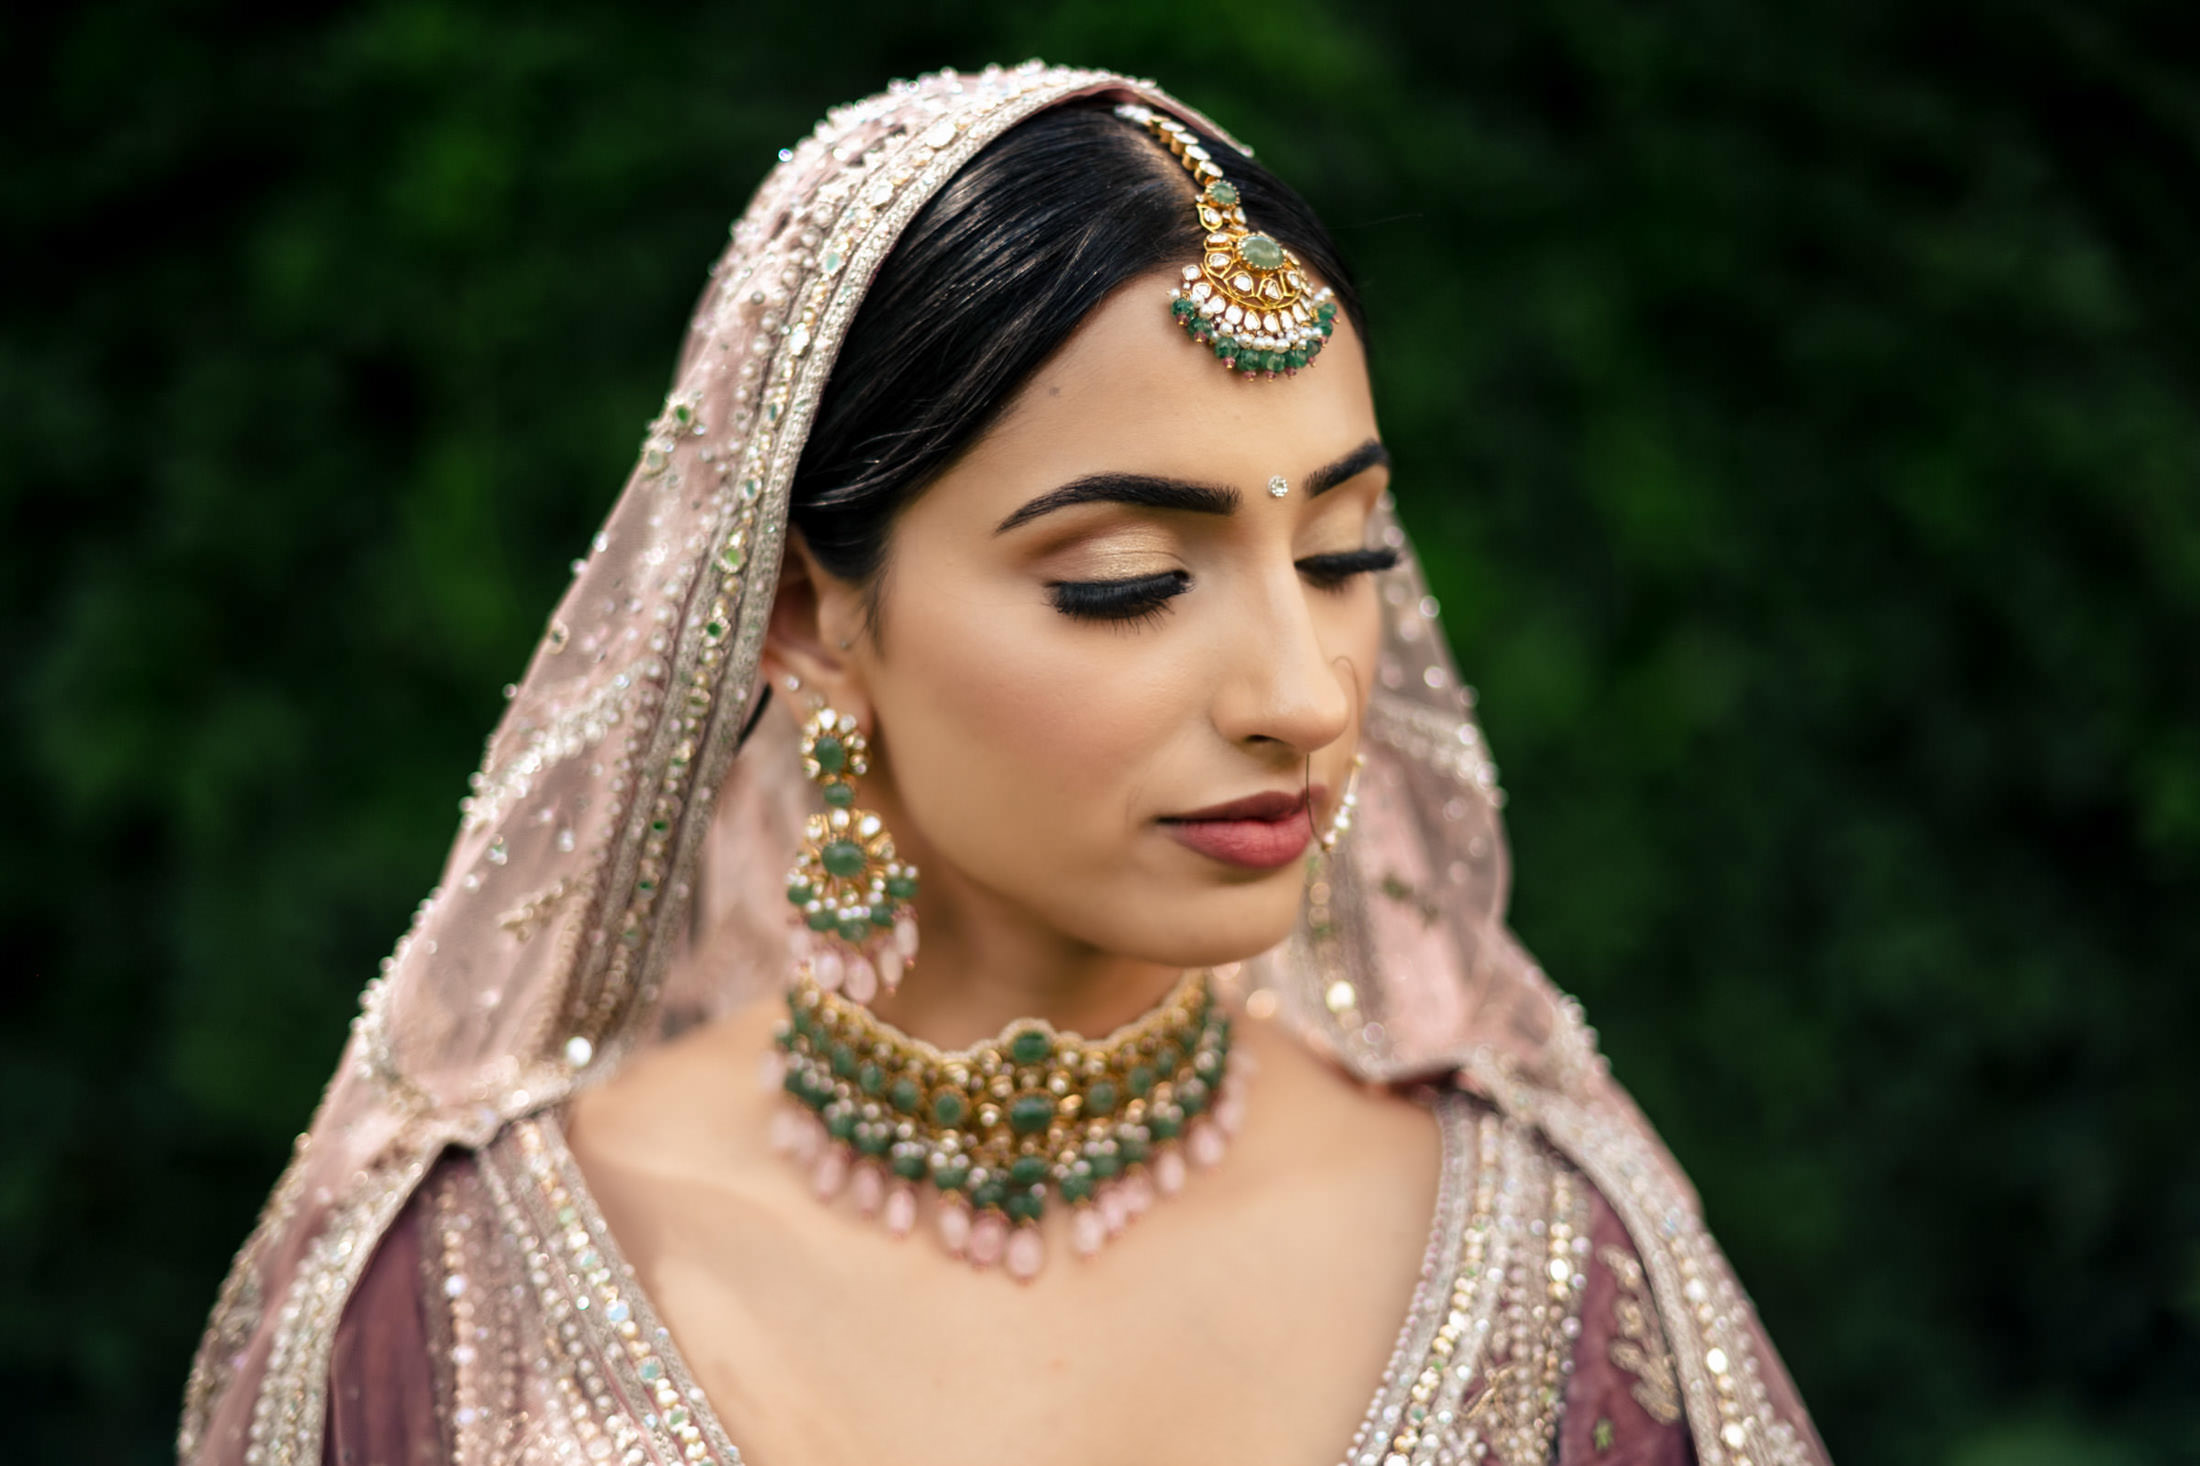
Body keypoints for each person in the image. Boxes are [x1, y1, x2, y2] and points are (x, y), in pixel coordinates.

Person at [181, 63, 1829, 1466]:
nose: (1304, 693)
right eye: (1125, 578)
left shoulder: (1559, 1264)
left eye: (1344, 557)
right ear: (810, 613)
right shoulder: (450, 1297)